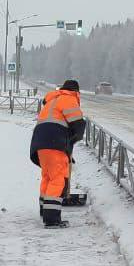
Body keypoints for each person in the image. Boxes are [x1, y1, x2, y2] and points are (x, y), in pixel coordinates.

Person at [29, 79, 85, 227]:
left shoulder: (52, 100)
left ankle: (45, 210)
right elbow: (79, 128)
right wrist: (71, 142)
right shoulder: (69, 99)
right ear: (76, 92)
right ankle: (52, 219)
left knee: (48, 176)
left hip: (40, 143)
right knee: (58, 179)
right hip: (54, 142)